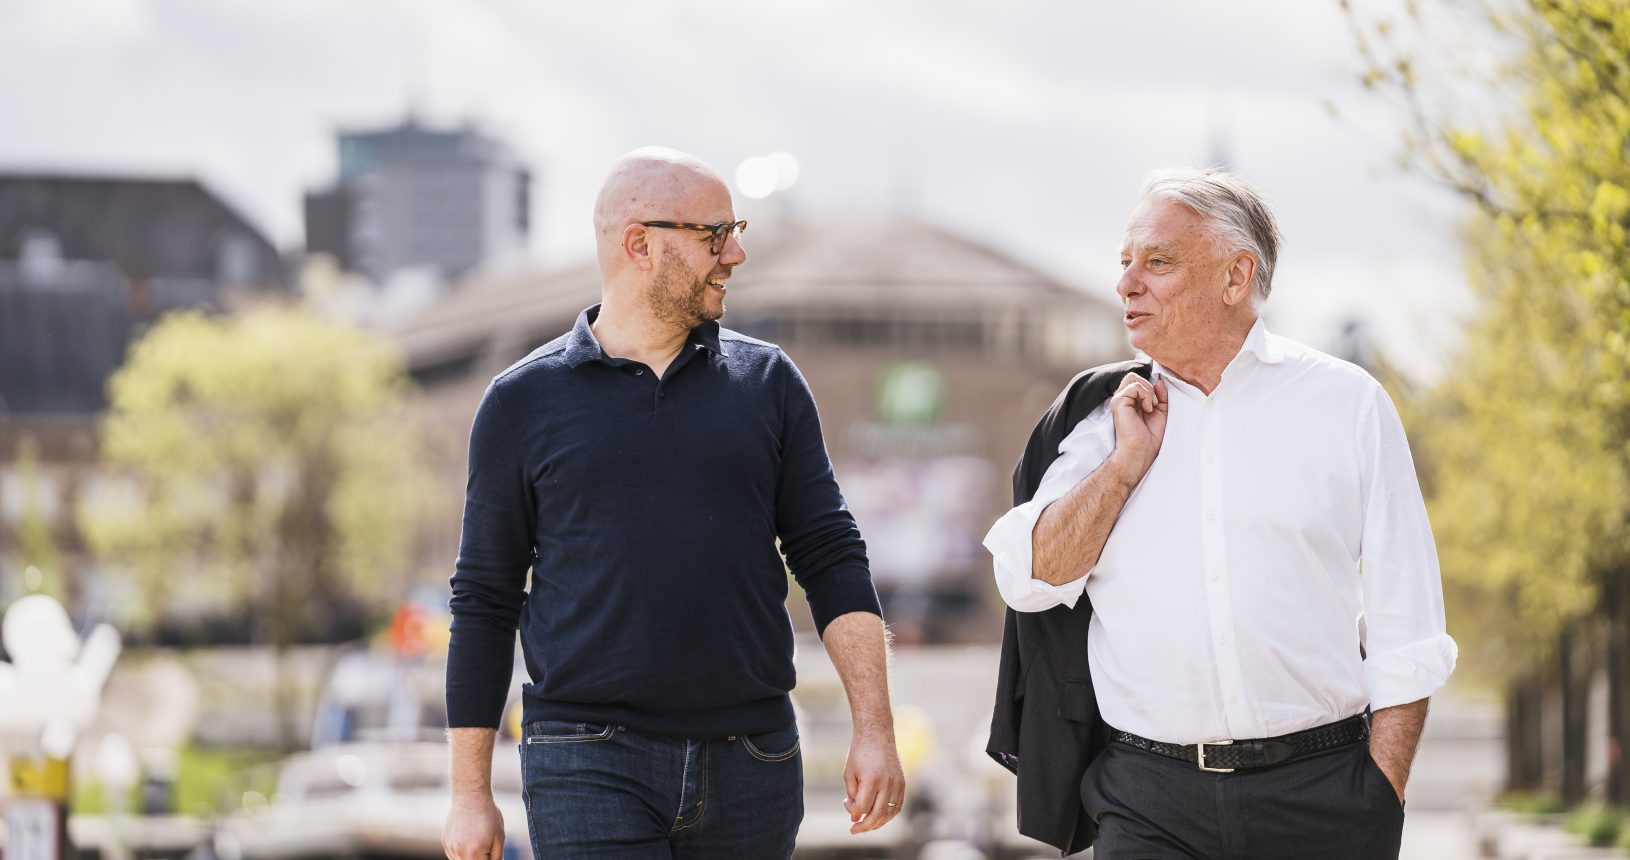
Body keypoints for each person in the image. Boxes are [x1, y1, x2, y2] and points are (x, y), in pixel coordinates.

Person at [441, 147, 904, 859]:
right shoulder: (521, 402)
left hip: (755, 760)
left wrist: (875, 731)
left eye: (735, 230)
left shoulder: (770, 384)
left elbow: (832, 555)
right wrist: (470, 795)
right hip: (585, 758)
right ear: (641, 245)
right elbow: (484, 600)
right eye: (714, 235)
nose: (737, 253)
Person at [983, 167, 1456, 859]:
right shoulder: (1096, 420)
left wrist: (1379, 794)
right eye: (1124, 262)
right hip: (1148, 801)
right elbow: (1028, 578)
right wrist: (1121, 470)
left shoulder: (1348, 404)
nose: (1126, 284)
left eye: (1158, 262)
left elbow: (1406, 624)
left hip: (1322, 798)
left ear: (1236, 278)